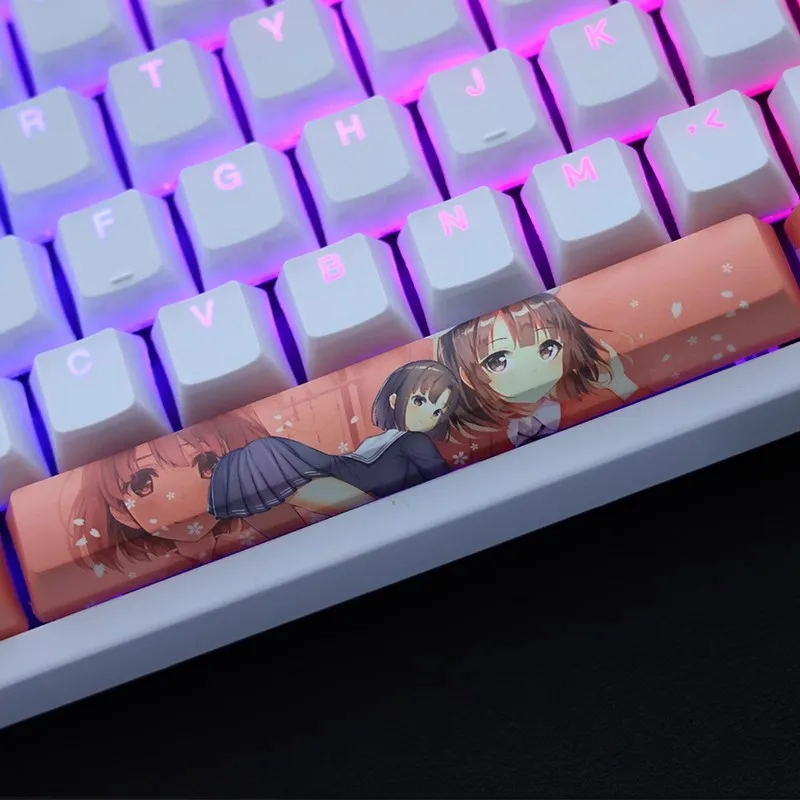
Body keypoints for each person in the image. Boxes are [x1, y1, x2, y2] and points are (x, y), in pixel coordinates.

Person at [208, 361, 461, 520]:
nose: (428, 416)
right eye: (419, 401)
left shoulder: (416, 441)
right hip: (337, 469)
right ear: (394, 400)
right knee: (262, 454)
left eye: (438, 412)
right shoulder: (392, 438)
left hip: (341, 475)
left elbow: (443, 480)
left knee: (262, 454)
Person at [435, 292, 638, 447]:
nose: (531, 371)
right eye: (498, 361)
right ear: (466, 376)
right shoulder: (479, 439)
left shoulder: (592, 400)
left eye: (548, 349)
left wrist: (620, 383)